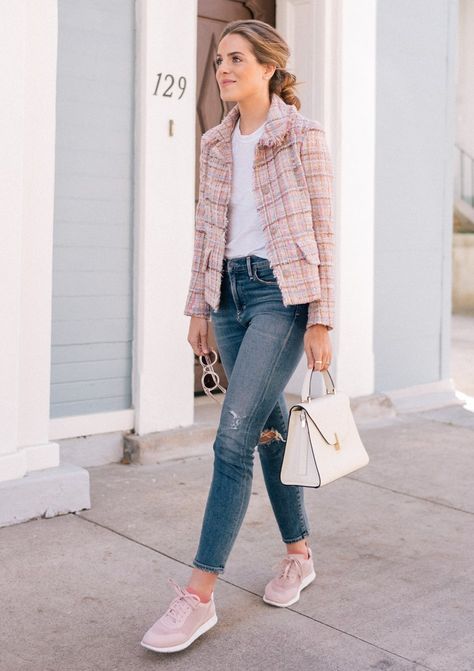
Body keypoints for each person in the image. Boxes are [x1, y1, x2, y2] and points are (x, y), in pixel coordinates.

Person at [141, 18, 335, 654]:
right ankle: (299, 554)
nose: (222, 68)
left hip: (281, 295)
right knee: (271, 428)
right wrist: (197, 304)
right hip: (227, 295)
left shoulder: (302, 135)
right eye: (219, 59)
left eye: (235, 59)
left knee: (234, 434)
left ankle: (198, 595)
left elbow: (325, 233)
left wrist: (323, 319)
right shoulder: (215, 142)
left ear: (269, 67)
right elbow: (206, 228)